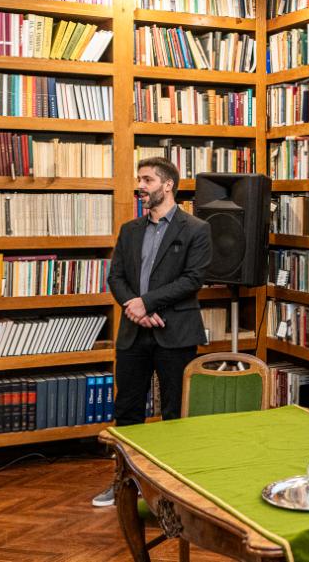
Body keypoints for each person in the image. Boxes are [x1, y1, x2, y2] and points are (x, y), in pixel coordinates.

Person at [92, 157, 212, 507]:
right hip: (134, 332)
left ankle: (172, 489)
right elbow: (116, 277)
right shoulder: (130, 230)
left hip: (177, 332)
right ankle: (124, 483)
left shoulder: (196, 229)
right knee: (128, 410)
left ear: (168, 184)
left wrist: (146, 302)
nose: (140, 186)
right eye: (139, 180)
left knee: (175, 413)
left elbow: (193, 279)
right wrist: (136, 308)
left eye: (147, 180)